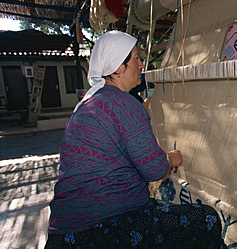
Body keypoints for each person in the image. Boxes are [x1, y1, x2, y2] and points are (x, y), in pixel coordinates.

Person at [45, 31, 221, 249]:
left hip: (63, 231)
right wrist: (171, 159)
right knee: (207, 219)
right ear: (119, 68)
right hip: (102, 229)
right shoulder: (125, 105)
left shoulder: (89, 103)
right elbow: (154, 170)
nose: (141, 65)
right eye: (136, 59)